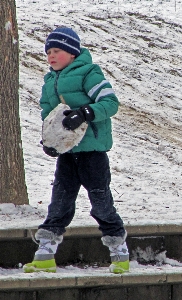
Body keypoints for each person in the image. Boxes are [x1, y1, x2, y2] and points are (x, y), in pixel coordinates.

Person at [23, 27, 129, 274]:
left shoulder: (88, 73)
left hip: (92, 153)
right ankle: (45, 254)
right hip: (68, 155)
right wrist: (51, 141)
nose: (50, 55)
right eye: (48, 51)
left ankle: (119, 253)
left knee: (101, 204)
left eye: (56, 50)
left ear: (71, 52)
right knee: (59, 203)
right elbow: (49, 117)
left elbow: (110, 103)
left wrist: (84, 113)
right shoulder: (50, 81)